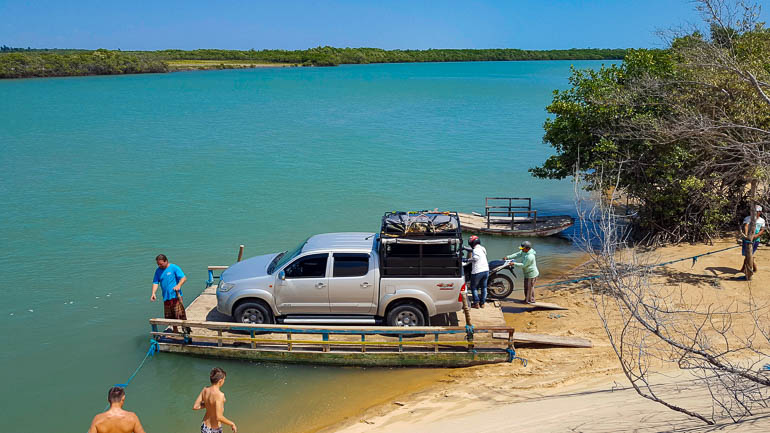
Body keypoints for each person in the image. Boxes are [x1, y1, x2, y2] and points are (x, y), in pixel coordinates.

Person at [193, 367, 237, 433]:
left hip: (204, 427)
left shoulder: (205, 390)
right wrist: (232, 424)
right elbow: (219, 417)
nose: (224, 381)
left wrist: (209, 404)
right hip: (214, 430)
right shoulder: (220, 395)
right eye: (224, 379)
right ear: (220, 381)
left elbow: (195, 407)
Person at [151, 254, 188, 333]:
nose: (159, 265)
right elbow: (155, 282)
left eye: (161, 264)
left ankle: (185, 330)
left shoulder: (174, 268)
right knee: (171, 316)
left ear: (166, 261)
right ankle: (175, 331)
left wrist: (178, 285)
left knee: (180, 314)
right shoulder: (158, 271)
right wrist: (153, 293)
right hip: (166, 297)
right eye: (158, 264)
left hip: (176, 296)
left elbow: (183, 278)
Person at [742, 205, 766, 272]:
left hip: (756, 239)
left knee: (750, 254)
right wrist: (747, 236)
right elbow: (746, 226)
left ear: (760, 212)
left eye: (756, 211)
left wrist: (757, 235)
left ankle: (750, 268)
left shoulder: (762, 220)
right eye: (753, 211)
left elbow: (762, 229)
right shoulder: (748, 218)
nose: (754, 213)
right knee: (747, 254)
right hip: (747, 239)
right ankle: (747, 268)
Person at [468, 235, 489, 309]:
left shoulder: (475, 250)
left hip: (478, 271)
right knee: (484, 287)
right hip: (486, 270)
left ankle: (476, 303)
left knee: (473, 287)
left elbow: (476, 258)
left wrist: (468, 260)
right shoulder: (482, 248)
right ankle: (482, 303)